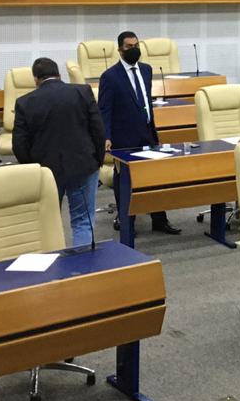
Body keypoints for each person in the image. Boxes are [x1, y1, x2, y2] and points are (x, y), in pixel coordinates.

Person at [12, 57, 106, 248]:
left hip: (46, 171)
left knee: (48, 223)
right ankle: (83, 262)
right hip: (83, 165)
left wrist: (33, 169)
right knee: (82, 220)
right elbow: (98, 130)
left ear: (36, 79)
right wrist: (97, 160)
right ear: (59, 75)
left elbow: (19, 145)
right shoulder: (82, 92)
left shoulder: (25, 102)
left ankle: (54, 263)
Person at [97, 31, 179, 234]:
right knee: (124, 180)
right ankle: (127, 221)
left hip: (147, 132)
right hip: (123, 136)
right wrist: (106, 136)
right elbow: (105, 110)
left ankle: (159, 220)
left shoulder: (146, 70)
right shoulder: (110, 76)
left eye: (136, 46)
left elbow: (145, 101)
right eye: (129, 46)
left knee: (154, 176)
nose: (134, 49)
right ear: (120, 50)